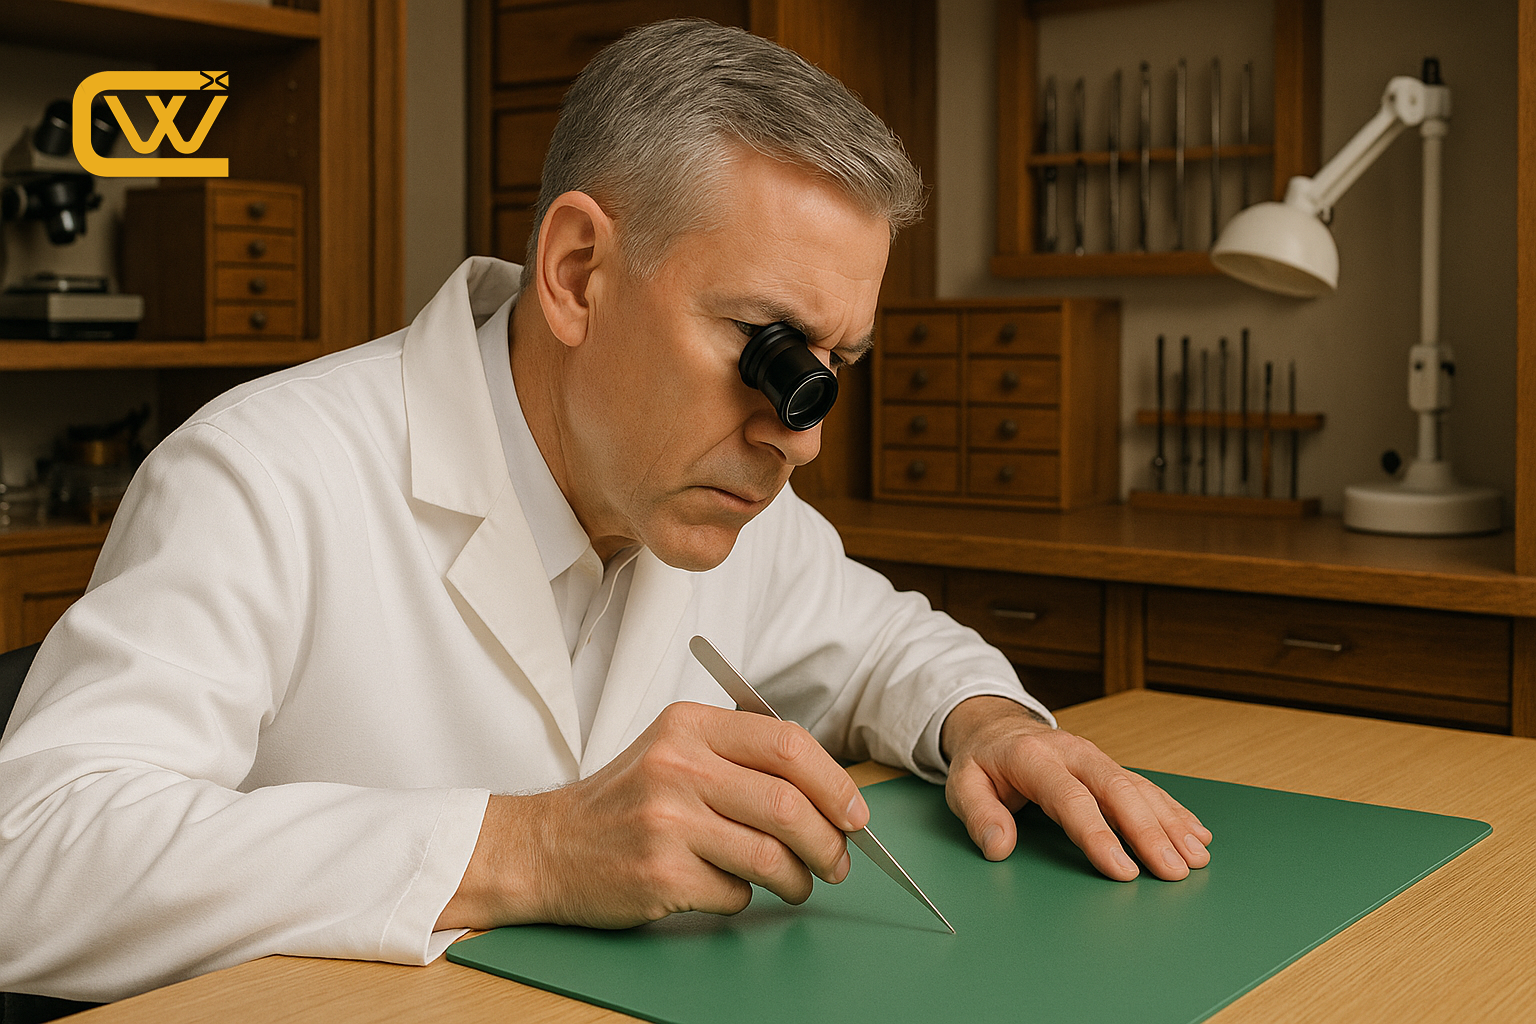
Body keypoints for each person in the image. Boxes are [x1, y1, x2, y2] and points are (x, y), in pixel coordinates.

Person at [0, 19, 1209, 1004]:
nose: (805, 430)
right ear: (579, 272)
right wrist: (528, 848)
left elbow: (888, 641)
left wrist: (992, 723)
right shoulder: (267, 472)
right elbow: (31, 860)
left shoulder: (728, 485)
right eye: (771, 346)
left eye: (837, 364)